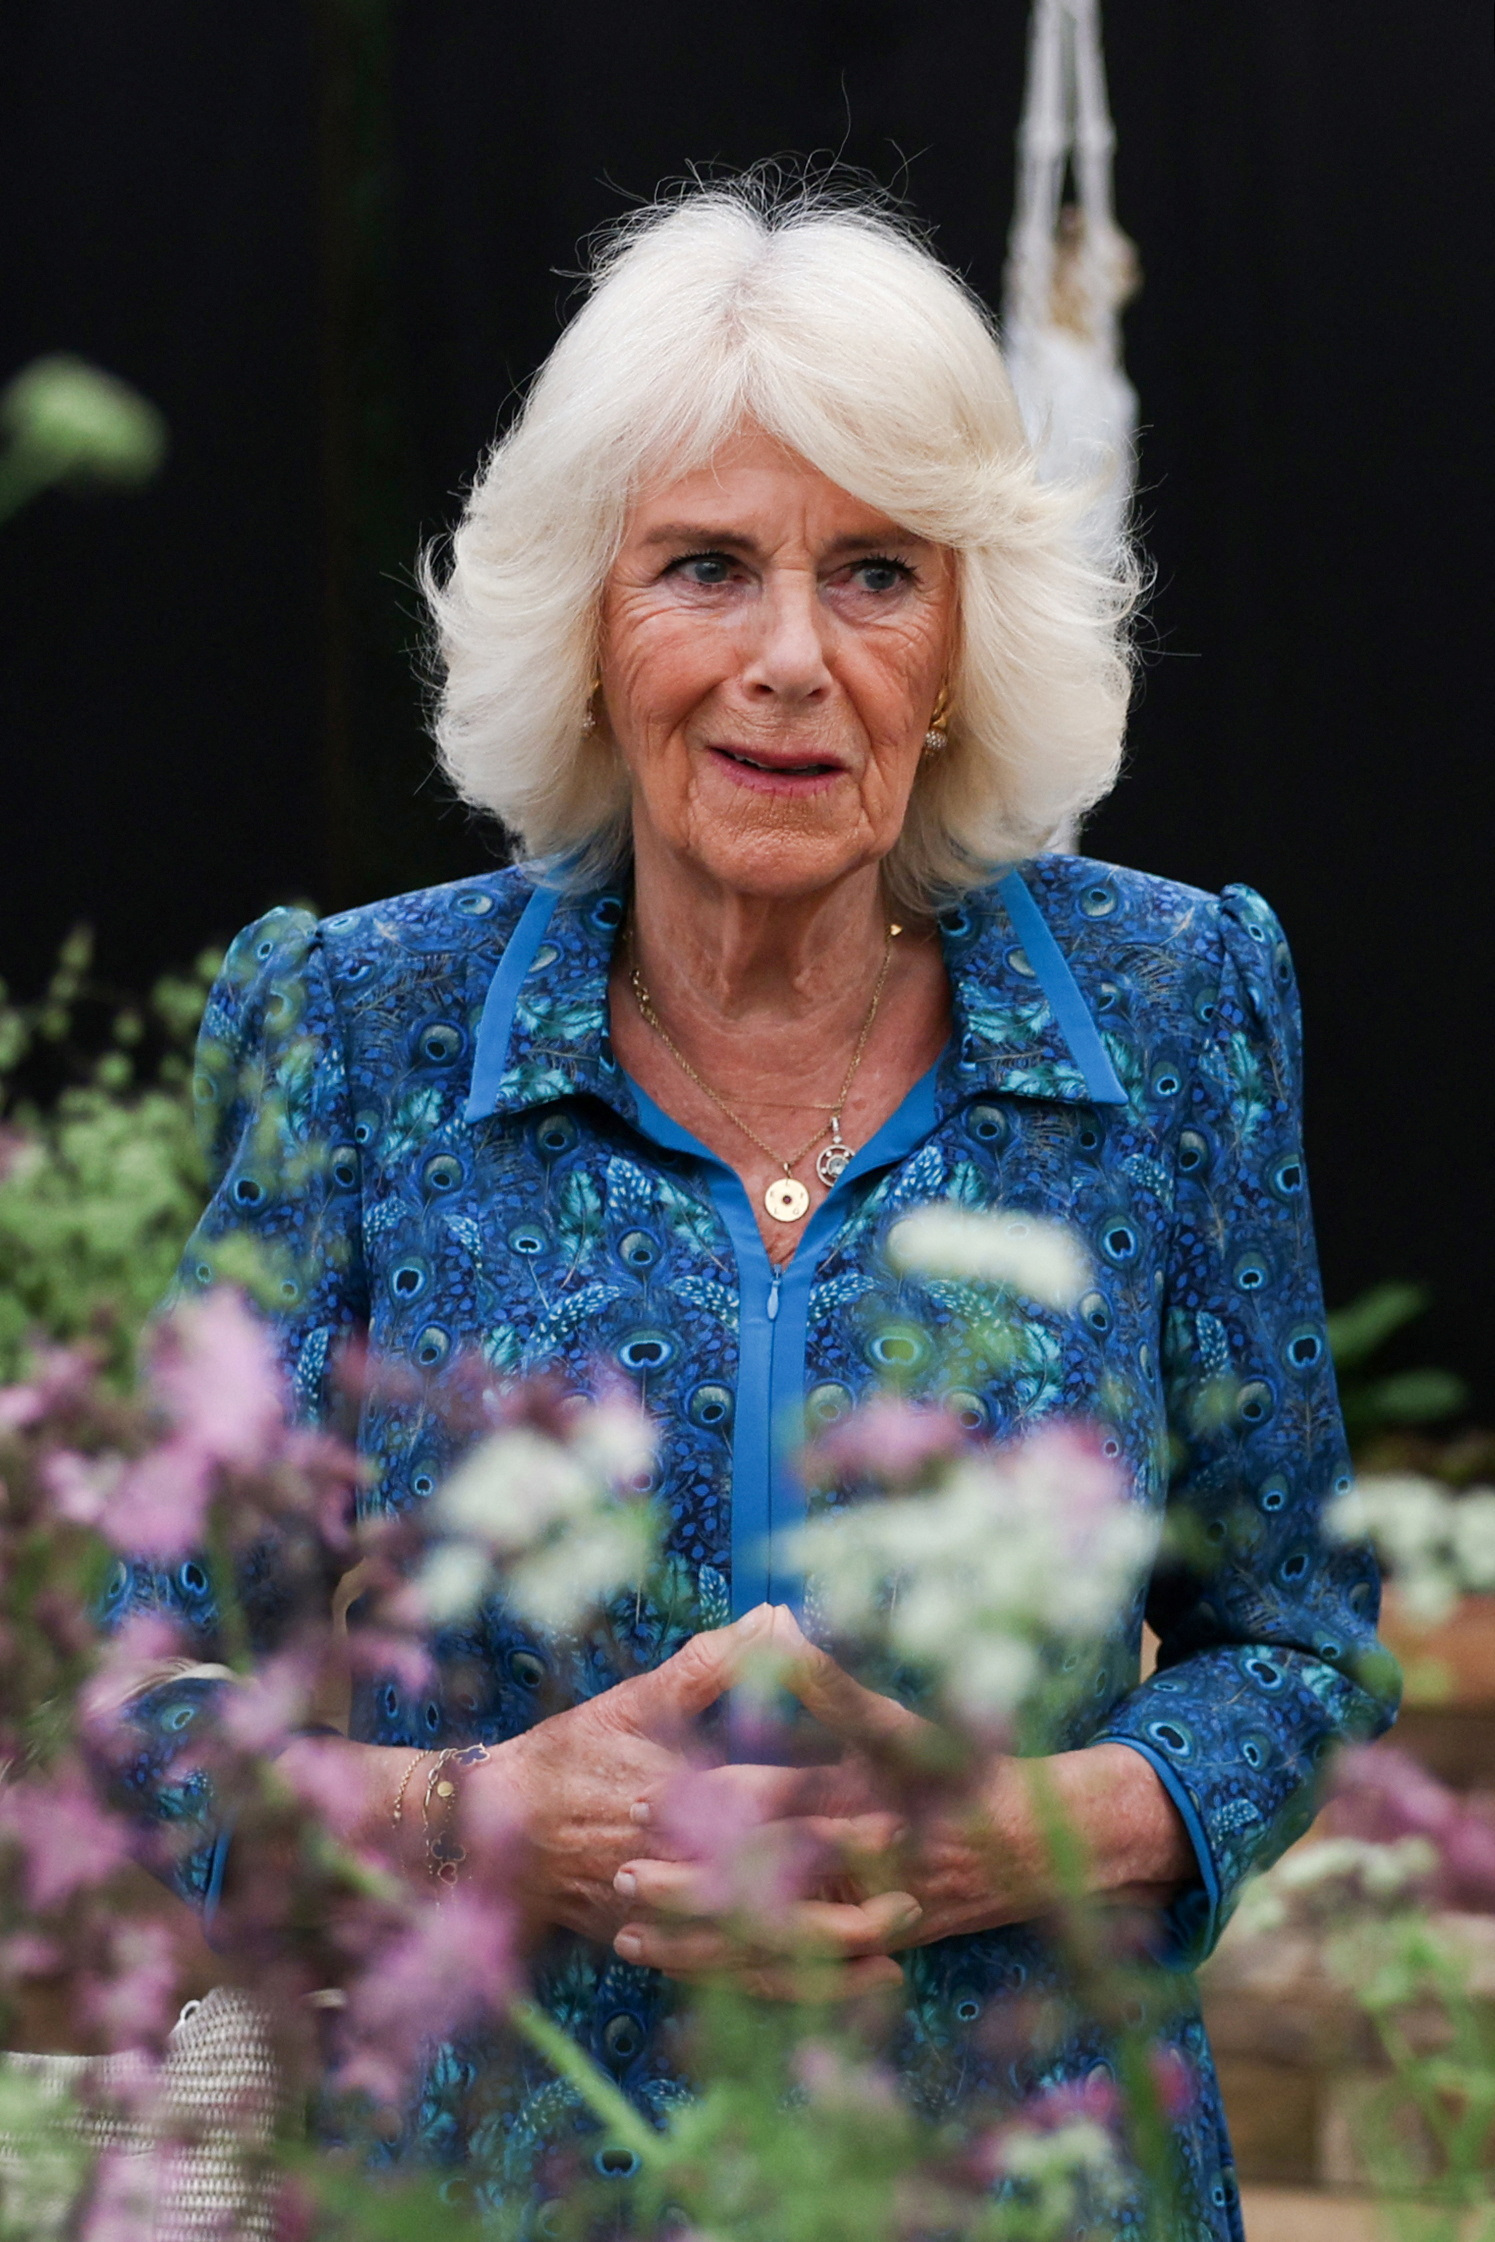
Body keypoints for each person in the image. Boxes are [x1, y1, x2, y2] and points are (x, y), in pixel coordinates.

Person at [123, 177, 1394, 2235]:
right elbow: (120, 1702)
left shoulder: (1168, 1010)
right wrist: (478, 1812)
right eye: (705, 567)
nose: (790, 659)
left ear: (967, 642)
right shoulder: (367, 1030)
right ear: (587, 631)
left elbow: (1300, 1636)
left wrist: (1032, 1828)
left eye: (875, 574)